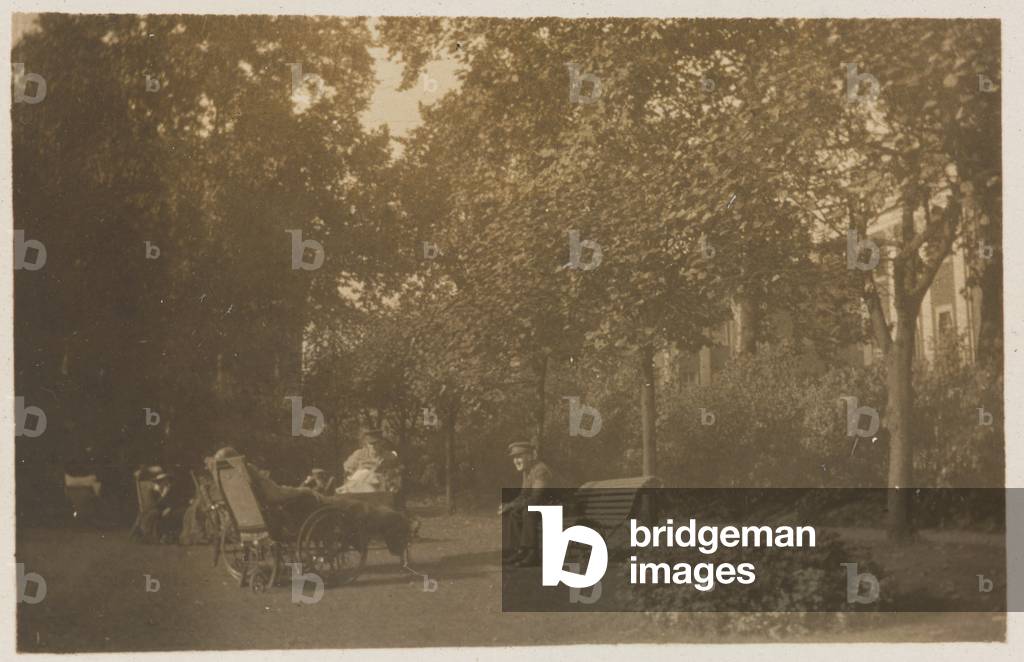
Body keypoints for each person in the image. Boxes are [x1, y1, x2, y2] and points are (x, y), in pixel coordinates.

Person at [499, 441, 555, 567]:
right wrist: (509, 505)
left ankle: (532, 553)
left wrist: (513, 505)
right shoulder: (528, 471)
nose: (516, 461)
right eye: (514, 458)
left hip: (559, 508)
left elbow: (536, 497)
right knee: (511, 512)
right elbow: (524, 495)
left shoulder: (540, 470)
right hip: (542, 507)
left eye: (519, 457)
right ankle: (519, 551)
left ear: (529, 456)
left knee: (528, 510)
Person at [340, 428, 401, 494]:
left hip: (380, 488)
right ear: (366, 444)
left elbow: (398, 470)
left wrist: (391, 472)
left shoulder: (389, 456)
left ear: (381, 443)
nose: (373, 446)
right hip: (359, 486)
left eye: (376, 443)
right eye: (371, 444)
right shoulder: (359, 454)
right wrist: (358, 470)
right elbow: (348, 469)